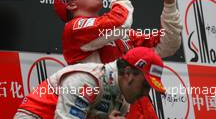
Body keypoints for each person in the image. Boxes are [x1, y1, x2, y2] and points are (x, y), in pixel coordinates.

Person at [53, 0, 182, 118]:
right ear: (71, 4)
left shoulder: (119, 34)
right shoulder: (74, 30)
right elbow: (120, 22)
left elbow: (168, 43)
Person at [14, 47, 167, 119]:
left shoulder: (123, 99)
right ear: (128, 73)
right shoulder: (87, 80)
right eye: (145, 85)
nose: (146, 93)